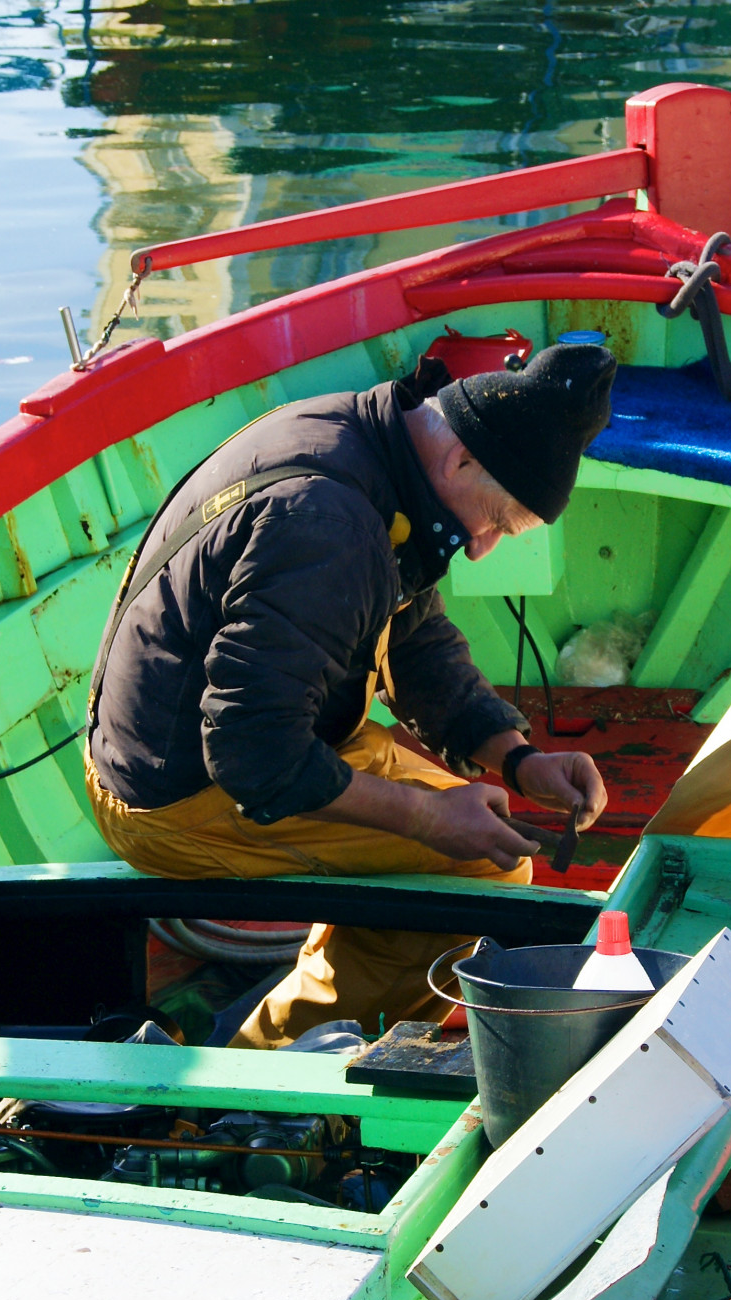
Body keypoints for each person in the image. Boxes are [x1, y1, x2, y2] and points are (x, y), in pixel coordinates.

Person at [85, 343, 616, 1049]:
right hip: (181, 796)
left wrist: (516, 758)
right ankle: (269, 1075)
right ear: (461, 462)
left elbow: (414, 634)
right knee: (476, 873)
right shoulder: (327, 524)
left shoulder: (368, 441)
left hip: (246, 741)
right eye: (498, 520)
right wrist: (427, 820)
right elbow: (255, 755)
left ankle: (328, 985)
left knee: (479, 833)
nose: (483, 547)